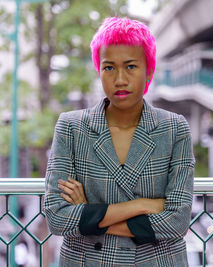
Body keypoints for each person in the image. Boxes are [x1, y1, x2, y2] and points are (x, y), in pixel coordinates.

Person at [44, 17, 195, 267]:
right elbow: (57, 218)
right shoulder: (72, 127)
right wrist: (141, 205)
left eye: (131, 66)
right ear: (99, 70)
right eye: (109, 67)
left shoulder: (174, 128)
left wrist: (90, 214)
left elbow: (177, 222)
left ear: (149, 71)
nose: (120, 79)